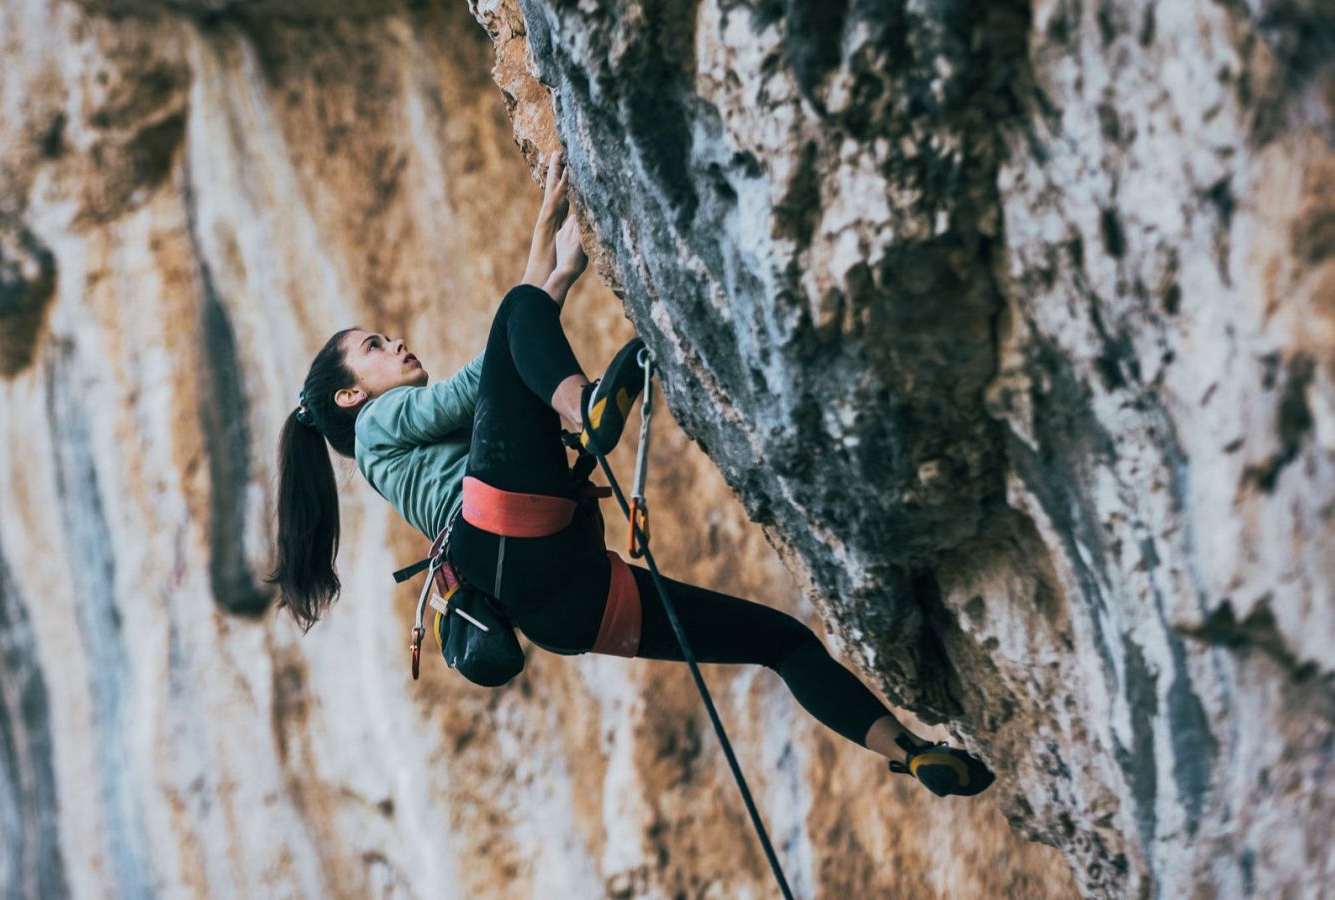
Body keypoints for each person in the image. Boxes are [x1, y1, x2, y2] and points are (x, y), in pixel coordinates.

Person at [269, 151, 994, 797]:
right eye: (372, 346)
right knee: (519, 315)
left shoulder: (389, 454)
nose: (393, 341)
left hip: (559, 606)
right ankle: (585, 407)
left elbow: (507, 363)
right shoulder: (374, 426)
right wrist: (540, 279)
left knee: (781, 643)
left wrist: (557, 267)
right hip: (506, 522)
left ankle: (910, 751)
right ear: (349, 394)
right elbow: (487, 370)